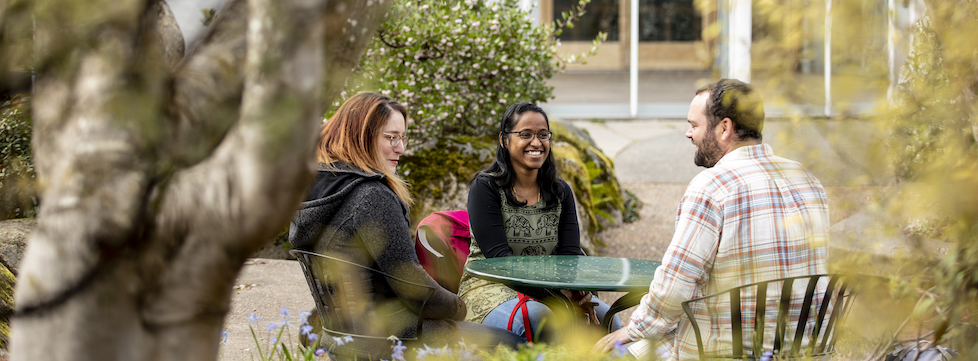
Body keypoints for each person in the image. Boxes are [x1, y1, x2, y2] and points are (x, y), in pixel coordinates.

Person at [594, 79, 829, 360]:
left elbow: (675, 286)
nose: (688, 134)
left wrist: (632, 330)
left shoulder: (712, 188)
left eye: (694, 125)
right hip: (806, 350)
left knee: (608, 354)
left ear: (724, 128)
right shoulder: (806, 180)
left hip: (722, 351)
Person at [289, 92, 521, 360]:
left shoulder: (315, 188)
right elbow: (412, 287)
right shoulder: (371, 196)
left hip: (339, 336)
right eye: (391, 137)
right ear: (361, 135)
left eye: (402, 137)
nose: (400, 148)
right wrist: (459, 306)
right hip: (388, 340)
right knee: (514, 344)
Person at [457, 102, 623, 343]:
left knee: (608, 320)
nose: (536, 142)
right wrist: (559, 300)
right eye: (525, 134)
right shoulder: (486, 188)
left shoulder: (560, 191)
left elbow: (569, 256)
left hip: (552, 291)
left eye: (543, 135)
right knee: (542, 319)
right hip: (493, 290)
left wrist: (580, 294)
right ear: (504, 139)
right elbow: (500, 263)